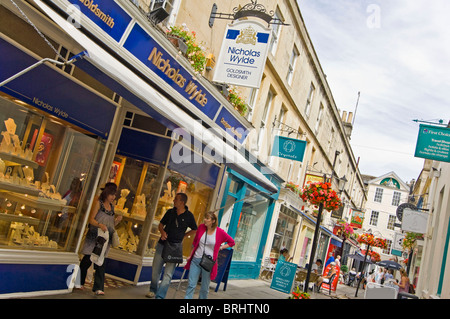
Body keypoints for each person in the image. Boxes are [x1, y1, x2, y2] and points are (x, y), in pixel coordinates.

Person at [147, 193, 197, 299]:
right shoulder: (170, 212)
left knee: (168, 274)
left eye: (176, 199)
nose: (174, 201)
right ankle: (152, 290)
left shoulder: (189, 216)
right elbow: (161, 224)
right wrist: (162, 232)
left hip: (175, 247)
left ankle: (160, 296)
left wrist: (184, 235)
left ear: (182, 202)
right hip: (162, 245)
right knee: (156, 269)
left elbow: (194, 229)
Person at [78, 182, 122, 295]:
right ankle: (79, 282)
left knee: (101, 262)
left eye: (114, 195)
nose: (113, 197)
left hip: (105, 238)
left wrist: (116, 221)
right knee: (87, 259)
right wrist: (99, 225)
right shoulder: (99, 203)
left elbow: (111, 225)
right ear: (107, 193)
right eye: (112, 194)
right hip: (94, 235)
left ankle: (99, 288)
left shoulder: (112, 207)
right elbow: (91, 219)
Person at [184, 211, 235, 299]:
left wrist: (221, 247)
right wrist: (190, 255)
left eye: (207, 218)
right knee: (191, 284)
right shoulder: (201, 227)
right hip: (196, 259)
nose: (205, 220)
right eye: (205, 218)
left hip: (208, 262)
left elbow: (232, 242)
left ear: (213, 221)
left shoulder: (219, 232)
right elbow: (195, 242)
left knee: (204, 287)